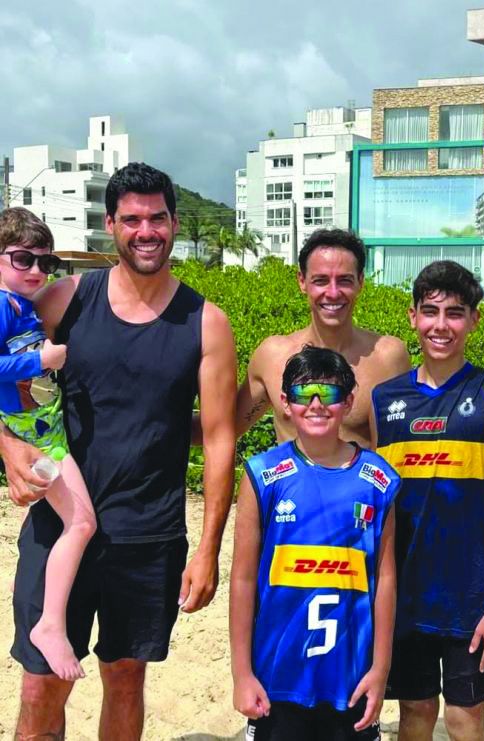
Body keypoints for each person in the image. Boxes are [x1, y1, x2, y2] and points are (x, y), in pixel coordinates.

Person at [1, 162, 237, 740]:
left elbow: (218, 439)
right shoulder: (65, 299)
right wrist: (7, 446)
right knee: (40, 686)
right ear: (111, 225)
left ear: (175, 222)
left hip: (150, 532)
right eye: (131, 219)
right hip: (60, 522)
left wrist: (208, 549)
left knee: (127, 677)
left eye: (157, 218)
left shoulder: (206, 323)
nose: (146, 231)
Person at [370, 260, 484, 741]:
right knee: (414, 713)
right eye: (430, 311)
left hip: (472, 597)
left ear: (474, 319)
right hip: (406, 595)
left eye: (455, 313)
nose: (441, 325)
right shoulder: (383, 401)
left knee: (464, 719)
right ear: (413, 316)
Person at [230, 346, 400, 740]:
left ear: (349, 402)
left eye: (331, 394)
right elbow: (242, 580)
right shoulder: (263, 475)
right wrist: (242, 673)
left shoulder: (378, 479)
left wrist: (380, 670)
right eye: (305, 393)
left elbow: (386, 580)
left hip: (350, 677)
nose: (317, 405)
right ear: (285, 403)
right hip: (278, 676)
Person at [0, 208, 96, 682]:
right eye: (23, 259)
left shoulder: (21, 306)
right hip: (37, 435)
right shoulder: (3, 305)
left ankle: (50, 623)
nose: (37, 270)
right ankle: (50, 625)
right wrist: (42, 359)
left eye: (46, 262)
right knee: (80, 522)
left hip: (46, 430)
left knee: (79, 522)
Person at [229, 228, 411, 448]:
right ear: (302, 281)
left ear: (361, 282)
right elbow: (224, 429)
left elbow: (411, 439)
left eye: (344, 280)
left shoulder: (389, 357)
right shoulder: (272, 356)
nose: (333, 293)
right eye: (321, 280)